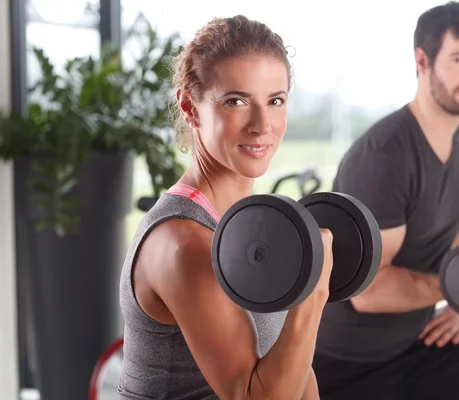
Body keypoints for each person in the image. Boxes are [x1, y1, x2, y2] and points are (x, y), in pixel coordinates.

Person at [312, 2, 459, 399]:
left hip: (421, 342)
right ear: (422, 60)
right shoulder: (384, 157)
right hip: (346, 363)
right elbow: (369, 292)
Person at [117, 15, 333, 400]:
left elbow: (295, 370)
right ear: (190, 107)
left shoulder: (249, 228)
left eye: (275, 101)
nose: (262, 125)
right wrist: (313, 292)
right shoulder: (185, 242)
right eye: (236, 101)